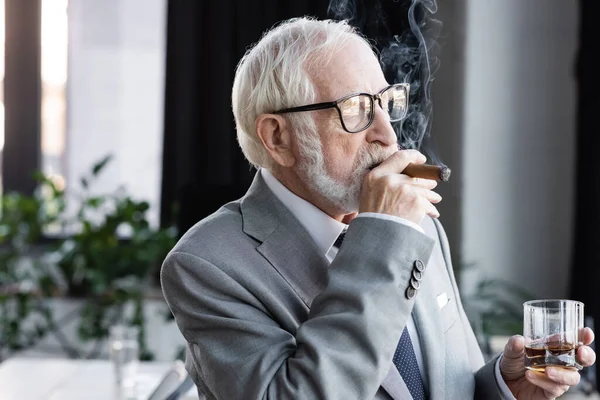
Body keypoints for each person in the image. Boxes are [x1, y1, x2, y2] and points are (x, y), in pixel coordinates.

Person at [160, 17, 596, 400]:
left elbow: (444, 386)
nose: (388, 135)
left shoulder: (418, 226)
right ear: (278, 138)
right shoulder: (207, 265)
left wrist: (504, 388)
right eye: (355, 109)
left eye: (387, 103)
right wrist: (382, 235)